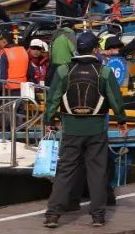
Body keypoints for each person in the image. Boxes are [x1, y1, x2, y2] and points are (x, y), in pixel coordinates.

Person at [42, 31, 127, 228]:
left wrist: (49, 119)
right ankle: (97, 216)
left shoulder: (64, 70)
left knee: (65, 171)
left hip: (70, 127)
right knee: (97, 172)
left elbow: (53, 98)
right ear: (95, 49)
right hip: (96, 128)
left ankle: (53, 214)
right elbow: (115, 99)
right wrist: (121, 120)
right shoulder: (103, 71)